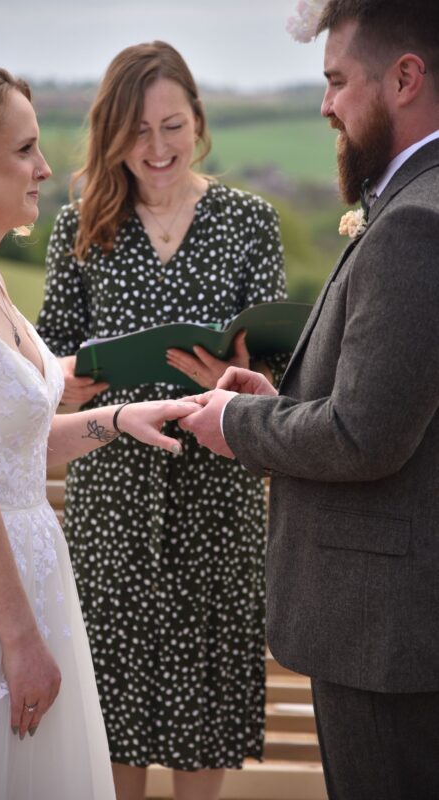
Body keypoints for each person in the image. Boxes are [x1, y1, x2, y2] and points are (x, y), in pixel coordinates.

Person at [0, 56, 199, 800]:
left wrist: (119, 420)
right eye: (25, 148)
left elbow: (14, 450)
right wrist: (21, 641)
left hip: (26, 577)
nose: (44, 168)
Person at [179, 1, 439, 798]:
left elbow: (365, 436)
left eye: (336, 81)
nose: (324, 104)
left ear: (404, 79)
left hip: (384, 638)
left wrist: (238, 422)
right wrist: (282, 397)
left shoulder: (414, 225)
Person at [36, 41, 287, 800]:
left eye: (172, 126)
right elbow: (48, 371)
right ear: (111, 135)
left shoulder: (251, 223)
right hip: (112, 501)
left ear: (199, 122)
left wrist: (242, 383)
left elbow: (282, 380)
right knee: (109, 705)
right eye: (137, 131)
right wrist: (76, 381)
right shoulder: (80, 227)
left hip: (217, 499)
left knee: (203, 705)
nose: (157, 148)